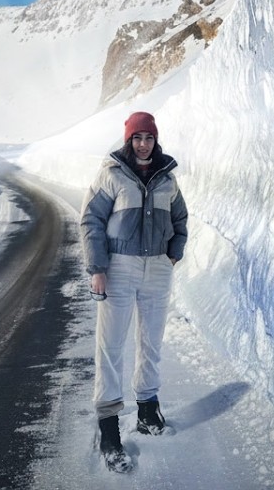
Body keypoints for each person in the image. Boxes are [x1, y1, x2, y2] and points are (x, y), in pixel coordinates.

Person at [79, 110, 188, 473]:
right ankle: (109, 427)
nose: (143, 144)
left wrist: (174, 252)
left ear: (156, 141)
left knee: (151, 342)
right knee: (110, 346)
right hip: (120, 267)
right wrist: (98, 268)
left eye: (149, 138)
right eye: (137, 138)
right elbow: (91, 220)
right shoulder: (111, 175)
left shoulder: (166, 179)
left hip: (157, 268)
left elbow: (180, 217)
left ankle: (147, 409)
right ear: (129, 141)